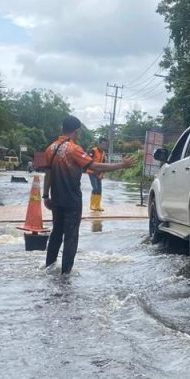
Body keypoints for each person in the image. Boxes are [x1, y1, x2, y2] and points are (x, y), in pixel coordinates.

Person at [41, 116, 136, 274]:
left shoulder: (50, 148)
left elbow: (48, 173)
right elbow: (95, 166)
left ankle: (49, 268)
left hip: (56, 200)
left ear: (62, 129)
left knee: (56, 233)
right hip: (72, 200)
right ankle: (66, 275)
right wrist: (121, 165)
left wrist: (45, 196)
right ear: (77, 131)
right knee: (71, 237)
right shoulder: (74, 149)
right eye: (79, 133)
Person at [88, 137, 108, 212]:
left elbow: (103, 164)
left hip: (99, 173)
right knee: (95, 188)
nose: (104, 146)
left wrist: (102, 173)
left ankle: (98, 206)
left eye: (105, 145)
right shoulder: (93, 151)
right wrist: (94, 171)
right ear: (99, 144)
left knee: (99, 189)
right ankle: (92, 205)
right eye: (103, 144)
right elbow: (88, 161)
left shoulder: (103, 153)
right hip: (92, 172)